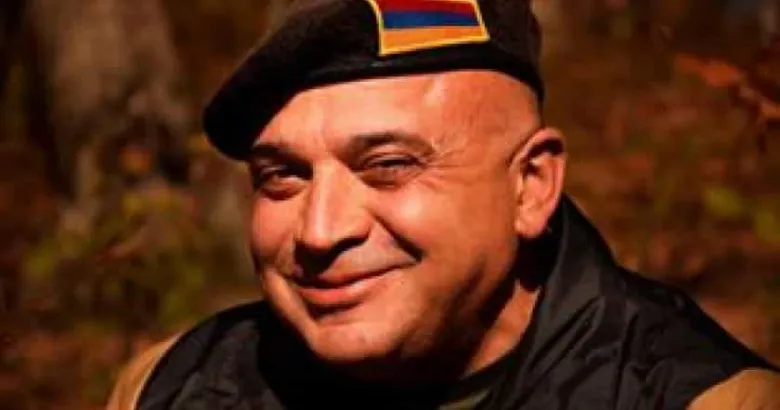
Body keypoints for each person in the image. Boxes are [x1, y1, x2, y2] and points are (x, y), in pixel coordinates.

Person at [108, 0, 780, 409]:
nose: (320, 230)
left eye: (388, 166)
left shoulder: (706, 400)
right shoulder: (169, 388)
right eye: (283, 177)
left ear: (531, 186)